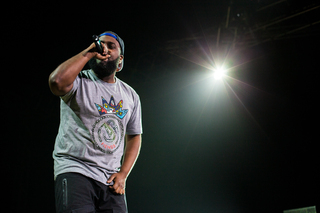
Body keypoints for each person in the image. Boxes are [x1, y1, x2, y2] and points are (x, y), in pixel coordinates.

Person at [48, 31, 142, 213]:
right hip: (75, 169)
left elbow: (134, 136)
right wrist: (90, 51)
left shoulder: (130, 95)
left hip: (110, 179)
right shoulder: (79, 80)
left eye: (111, 46)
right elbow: (57, 82)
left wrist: (123, 174)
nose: (104, 48)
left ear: (120, 60)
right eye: (101, 44)